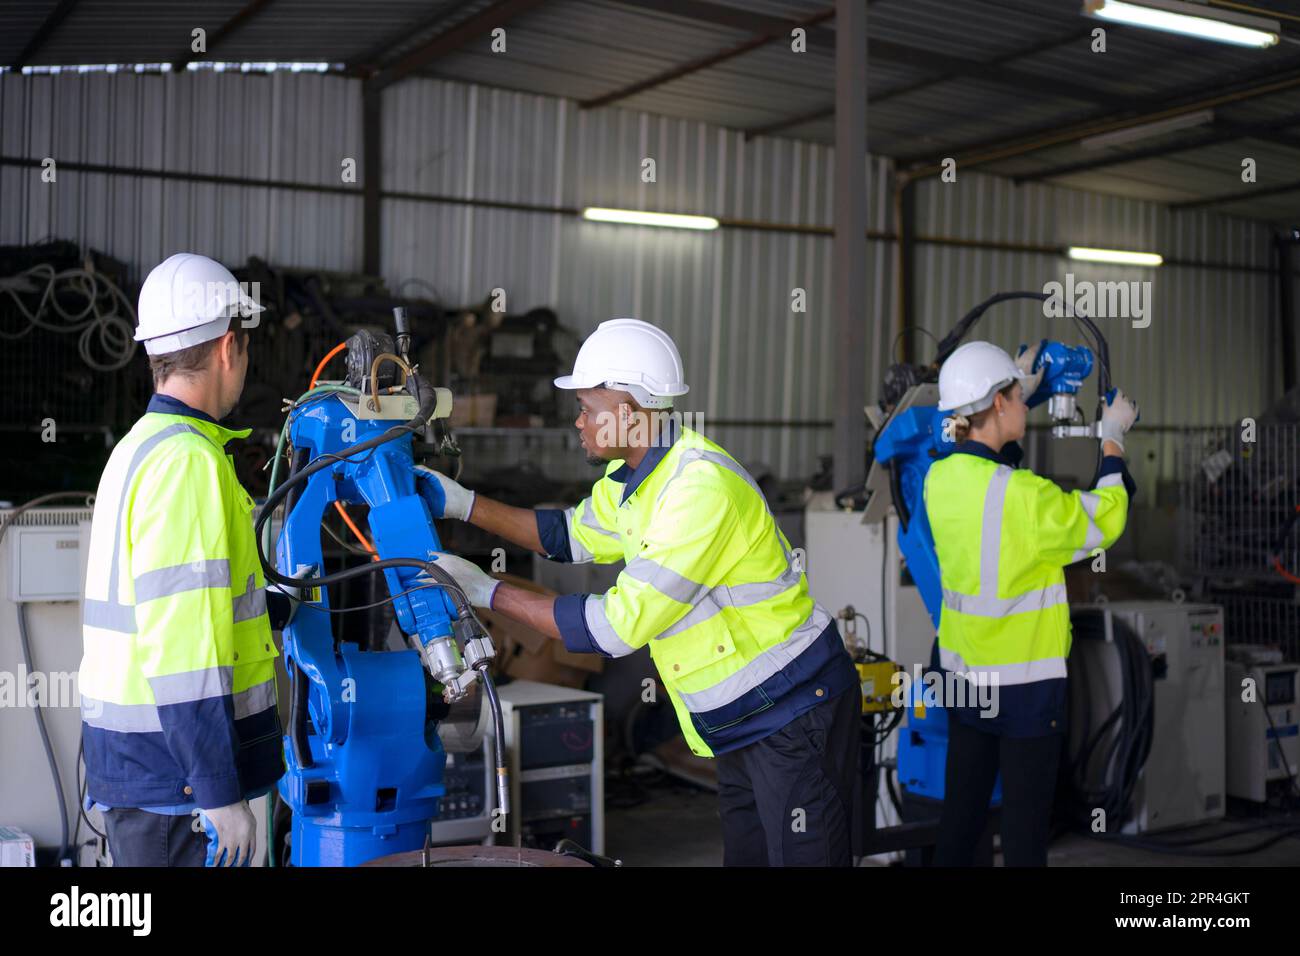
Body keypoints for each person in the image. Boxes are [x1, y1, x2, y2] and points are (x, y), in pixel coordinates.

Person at [419, 318, 862, 866]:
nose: (578, 423)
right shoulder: (636, 479)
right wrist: (463, 504)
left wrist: (486, 594)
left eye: (588, 407)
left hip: (794, 711)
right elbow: (569, 536)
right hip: (743, 718)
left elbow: (615, 628)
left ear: (628, 411)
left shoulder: (698, 489)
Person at [79, 253, 292, 866]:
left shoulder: (139, 447)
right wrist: (218, 791)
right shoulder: (190, 464)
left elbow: (179, 611)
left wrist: (270, 614)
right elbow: (182, 648)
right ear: (228, 347)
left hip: (148, 766)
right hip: (177, 780)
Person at [925, 340, 1138, 866]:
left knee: (961, 818)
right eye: (1020, 397)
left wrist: (1024, 386)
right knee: (1023, 838)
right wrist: (1112, 441)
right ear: (998, 403)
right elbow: (1105, 518)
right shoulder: (1027, 498)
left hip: (960, 675)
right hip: (1023, 688)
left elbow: (977, 453)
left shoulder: (939, 479)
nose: (1026, 404)